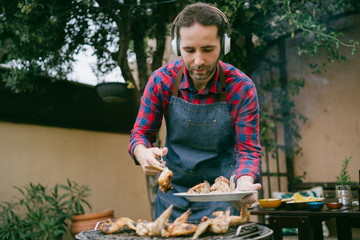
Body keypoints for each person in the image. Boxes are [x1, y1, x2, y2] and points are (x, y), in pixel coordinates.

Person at [129, 2, 261, 222]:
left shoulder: (241, 87)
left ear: (224, 45)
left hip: (224, 199)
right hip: (172, 201)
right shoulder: (161, 81)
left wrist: (245, 183)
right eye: (189, 50)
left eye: (208, 49)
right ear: (177, 46)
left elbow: (248, 150)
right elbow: (140, 134)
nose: (198, 61)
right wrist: (142, 153)